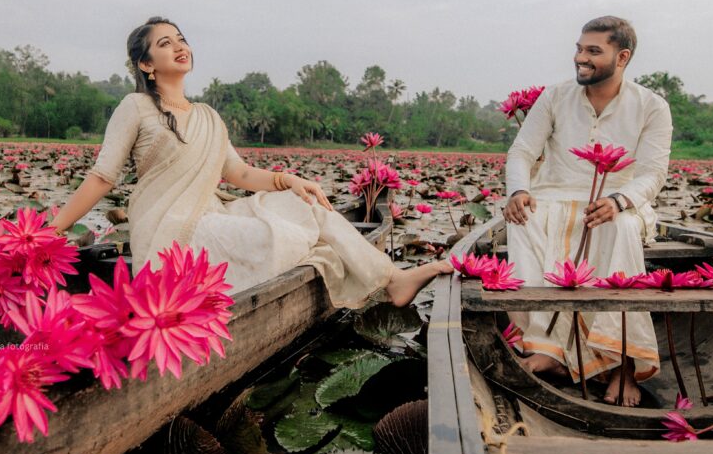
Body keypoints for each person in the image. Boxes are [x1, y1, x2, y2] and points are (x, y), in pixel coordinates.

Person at [50, 17, 451, 308]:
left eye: (181, 39)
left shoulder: (207, 115)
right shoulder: (135, 106)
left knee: (305, 205)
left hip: (212, 212)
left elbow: (238, 174)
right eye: (165, 43)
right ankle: (365, 272)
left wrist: (289, 179)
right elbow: (103, 178)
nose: (179, 46)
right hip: (170, 229)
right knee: (280, 237)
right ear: (146, 64)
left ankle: (393, 279)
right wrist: (51, 231)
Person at [502, 16, 672, 406]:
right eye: (579, 48)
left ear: (622, 56)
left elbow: (651, 173)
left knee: (623, 229)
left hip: (617, 200)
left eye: (593, 51)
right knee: (521, 219)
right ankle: (543, 347)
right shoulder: (554, 96)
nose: (581, 57)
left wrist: (618, 201)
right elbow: (522, 152)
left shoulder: (652, 106)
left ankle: (623, 361)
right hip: (551, 196)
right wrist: (519, 190)